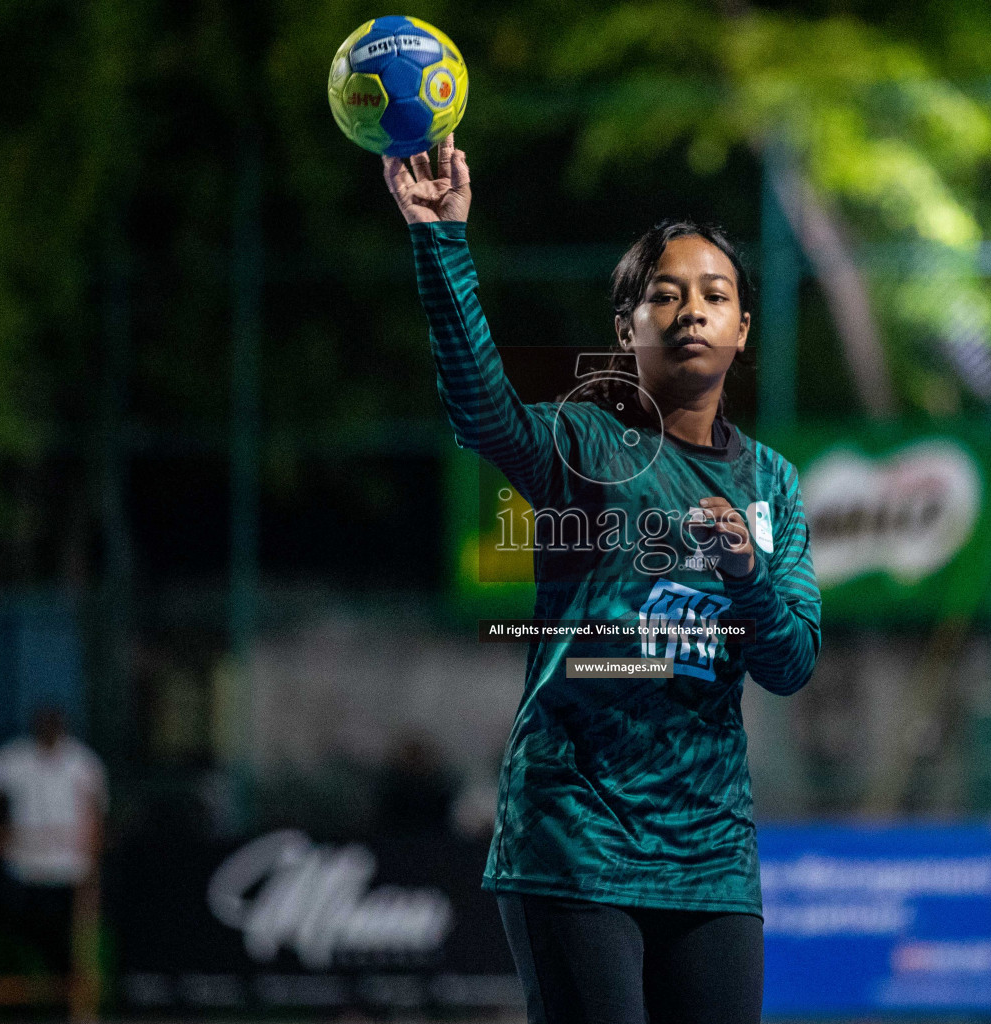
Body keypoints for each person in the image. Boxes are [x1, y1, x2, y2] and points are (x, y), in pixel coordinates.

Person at [383, 136, 822, 1024]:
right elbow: (480, 409)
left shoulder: (772, 482)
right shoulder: (585, 443)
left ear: (743, 328)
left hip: (710, 854)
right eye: (665, 294)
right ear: (627, 331)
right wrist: (441, 239)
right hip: (575, 833)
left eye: (715, 294)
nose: (691, 309)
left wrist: (745, 574)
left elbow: (790, 662)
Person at [0, 706, 106, 977]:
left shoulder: (82, 762)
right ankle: (42, 986)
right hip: (24, 864)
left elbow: (97, 810)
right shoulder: (16, 756)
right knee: (21, 929)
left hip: (68, 866)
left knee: (64, 933)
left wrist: (92, 859)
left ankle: (65, 990)